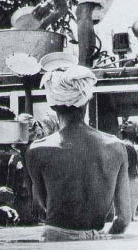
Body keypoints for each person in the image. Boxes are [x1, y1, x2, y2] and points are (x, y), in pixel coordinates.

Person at [26, 65, 131, 241]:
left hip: (54, 241)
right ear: (86, 101)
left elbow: (42, 205)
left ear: (52, 105)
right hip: (95, 241)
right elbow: (123, 219)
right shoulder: (116, 146)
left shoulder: (37, 150)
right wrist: (98, 238)